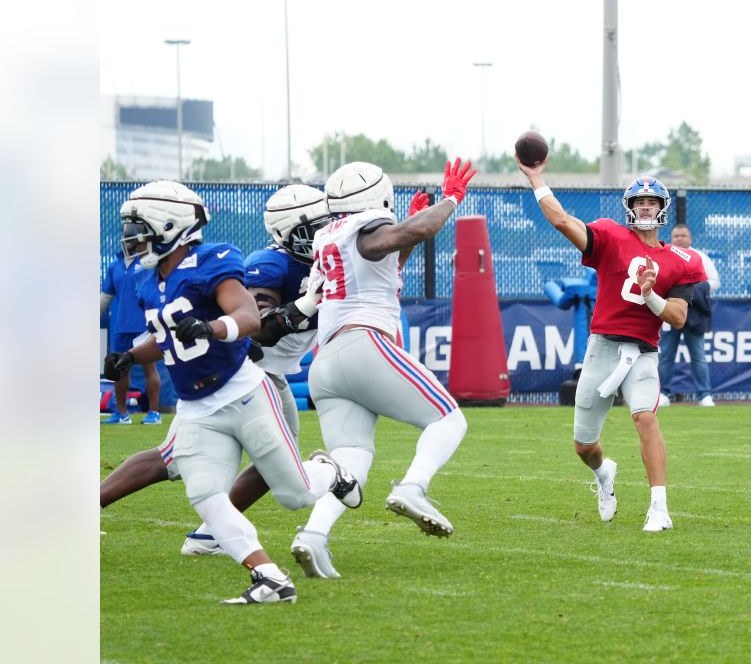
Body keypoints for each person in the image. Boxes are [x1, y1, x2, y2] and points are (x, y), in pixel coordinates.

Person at [102, 180, 361, 604]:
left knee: (294, 493)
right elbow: (169, 336)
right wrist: (129, 355)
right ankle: (270, 578)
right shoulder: (150, 281)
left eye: (139, 228)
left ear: (170, 226)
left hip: (244, 390)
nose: (132, 238)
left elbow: (246, 317)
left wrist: (213, 327)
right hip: (198, 403)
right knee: (205, 495)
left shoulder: (213, 259)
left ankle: (330, 473)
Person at [256, 159, 476, 578]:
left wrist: (408, 225)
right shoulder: (365, 227)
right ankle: (413, 487)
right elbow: (410, 232)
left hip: (327, 363)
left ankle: (313, 535)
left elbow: (383, 256)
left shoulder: (326, 235)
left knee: (350, 466)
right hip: (364, 343)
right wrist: (450, 200)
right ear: (376, 200)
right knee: (448, 420)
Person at [517, 165, 707, 532]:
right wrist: (536, 178)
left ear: (662, 208)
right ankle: (604, 474)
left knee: (645, 417)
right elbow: (561, 221)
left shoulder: (682, 261)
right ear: (630, 207)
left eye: (652, 201)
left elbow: (679, 318)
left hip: (644, 353)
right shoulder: (609, 235)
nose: (646, 207)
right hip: (602, 347)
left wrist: (650, 294)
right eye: (640, 201)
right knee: (584, 447)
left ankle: (659, 507)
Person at [179, 184, 333, 557]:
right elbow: (260, 329)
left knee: (276, 459)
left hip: (264, 372)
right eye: (312, 229)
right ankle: (208, 532)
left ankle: (209, 533)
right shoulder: (271, 264)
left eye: (326, 225)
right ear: (286, 232)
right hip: (247, 370)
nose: (322, 235)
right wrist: (310, 301)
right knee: (171, 459)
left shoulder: (320, 259)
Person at [657, 223, 720, 407]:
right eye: (676, 236)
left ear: (690, 238)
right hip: (670, 311)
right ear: (671, 237)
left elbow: (714, 281)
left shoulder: (700, 257)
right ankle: (663, 394)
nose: (679, 239)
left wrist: (689, 289)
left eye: (683, 235)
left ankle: (704, 395)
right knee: (666, 355)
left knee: (698, 356)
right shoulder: (664, 255)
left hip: (694, 314)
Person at [100, 250, 162, 424]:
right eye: (126, 232)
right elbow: (106, 297)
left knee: (149, 368)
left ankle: (154, 413)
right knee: (119, 370)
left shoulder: (148, 261)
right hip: (120, 326)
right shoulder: (115, 265)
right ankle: (121, 414)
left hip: (143, 324)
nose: (128, 238)